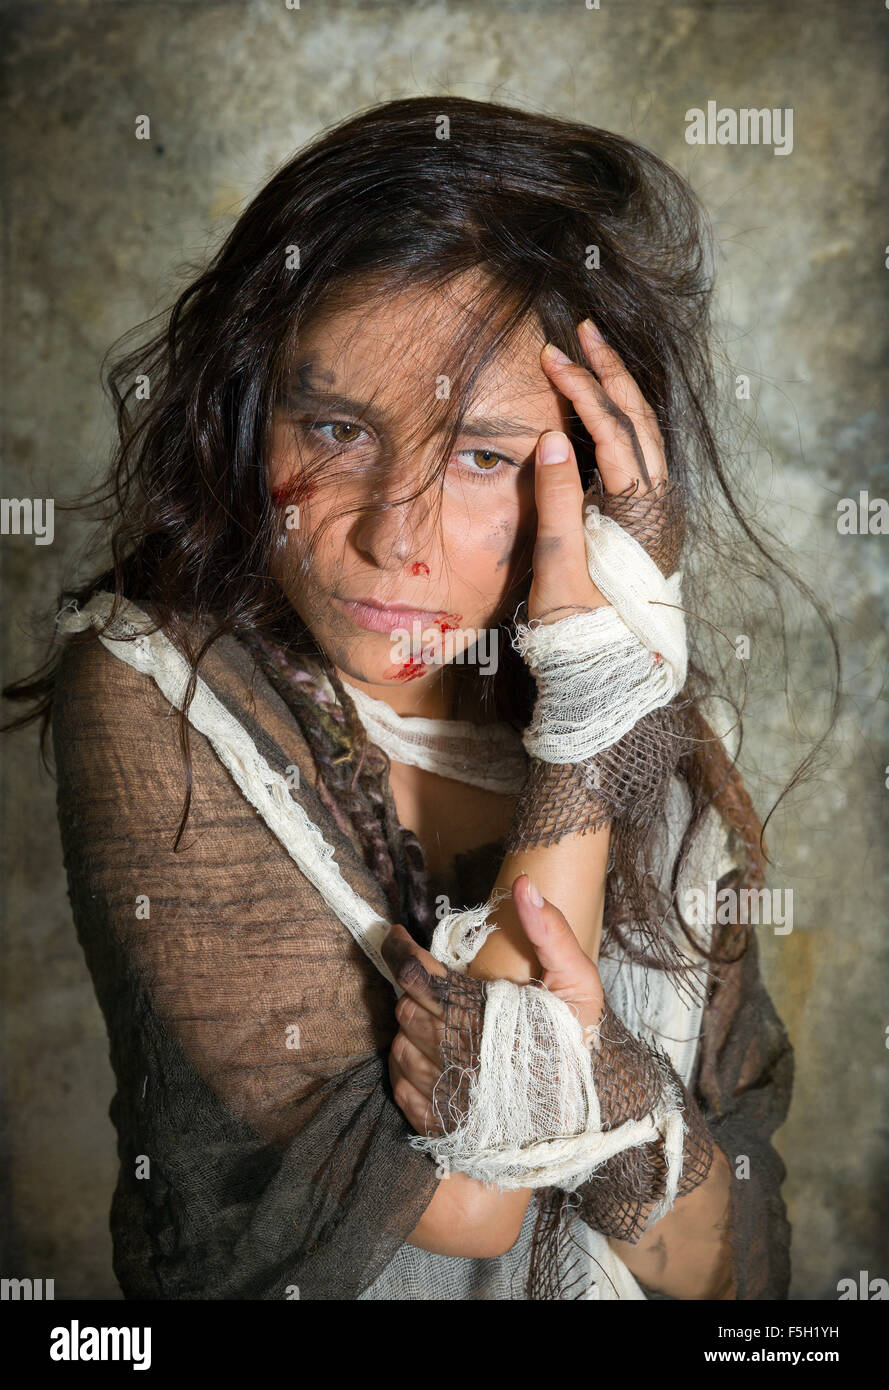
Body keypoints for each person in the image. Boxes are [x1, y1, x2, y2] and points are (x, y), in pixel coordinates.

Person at [2, 95, 808, 1300]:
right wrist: (586, 734)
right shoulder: (154, 696)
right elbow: (472, 1207)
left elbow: (727, 1277)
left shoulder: (674, 749)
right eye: (334, 428)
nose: (396, 538)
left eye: (484, 457)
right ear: (245, 415)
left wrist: (632, 1111)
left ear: (590, 480)